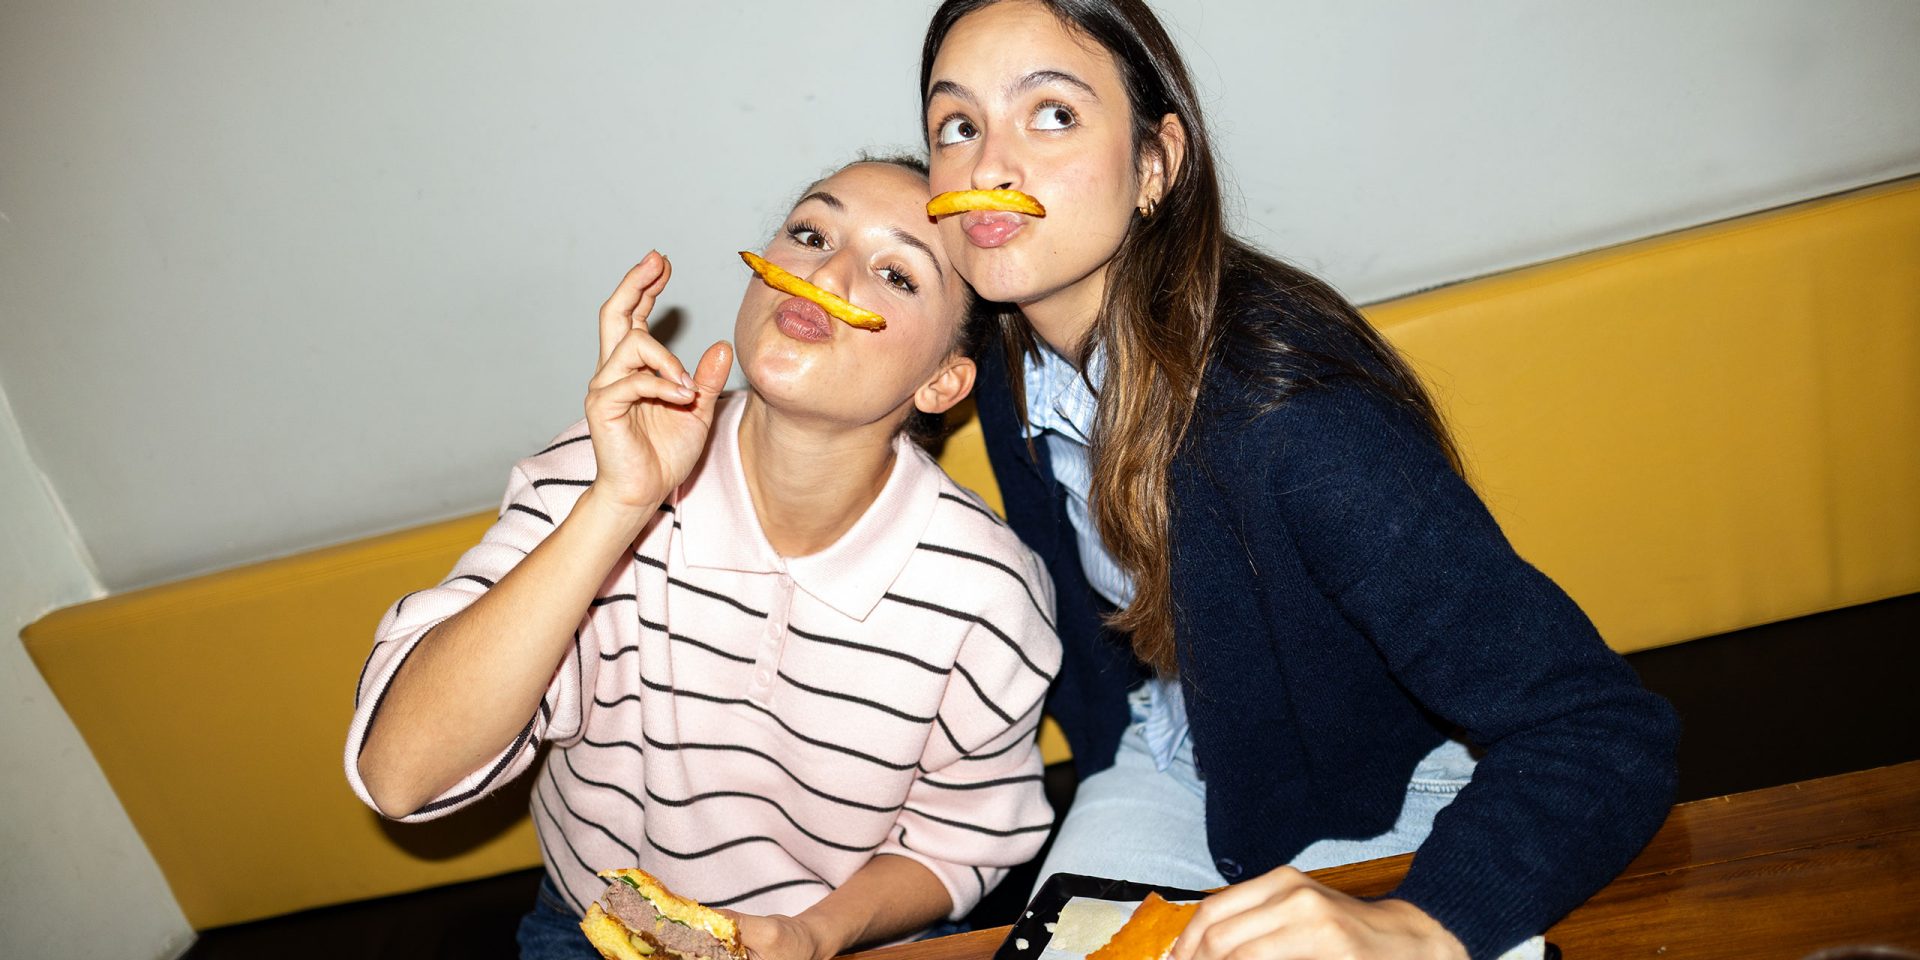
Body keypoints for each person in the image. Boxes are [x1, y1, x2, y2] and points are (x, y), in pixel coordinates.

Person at [917, 2, 1681, 958]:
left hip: (1387, 804)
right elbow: (1080, 618)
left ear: (1156, 165)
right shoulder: (1010, 364)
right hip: (1176, 757)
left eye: (1054, 114)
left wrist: (1418, 926)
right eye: (958, 125)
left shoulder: (1288, 420)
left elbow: (1604, 730)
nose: (988, 165)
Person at [344, 157, 1061, 960]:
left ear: (943, 382)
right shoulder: (596, 471)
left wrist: (810, 937)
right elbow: (400, 775)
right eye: (810, 233)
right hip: (600, 934)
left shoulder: (985, 589)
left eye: (895, 273)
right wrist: (617, 507)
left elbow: (960, 838)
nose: (825, 272)